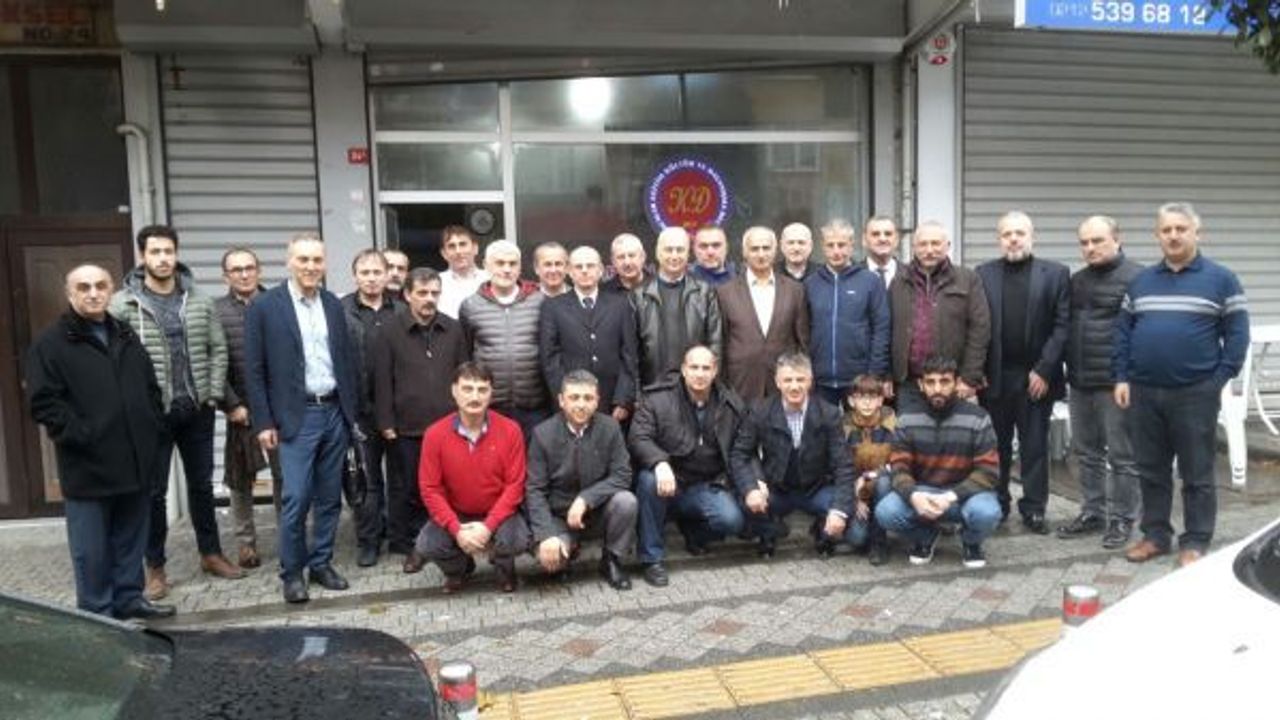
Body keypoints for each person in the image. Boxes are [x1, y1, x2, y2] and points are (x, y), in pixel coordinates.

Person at [26, 265, 175, 620]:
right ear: (69, 293)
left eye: (100, 286)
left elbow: (149, 387)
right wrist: (84, 435)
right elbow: (44, 404)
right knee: (90, 550)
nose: (93, 293)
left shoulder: (124, 333)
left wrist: (152, 427)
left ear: (111, 290)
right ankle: (97, 614)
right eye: (84, 287)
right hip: (88, 466)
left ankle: (129, 599)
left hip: (135, 462)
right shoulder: (50, 344)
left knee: (131, 540)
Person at [109, 224, 239, 601]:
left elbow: (218, 349)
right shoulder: (122, 305)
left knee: (202, 487)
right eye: (155, 252)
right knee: (154, 492)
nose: (163, 259)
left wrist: (211, 394)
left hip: (196, 409)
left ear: (176, 254)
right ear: (143, 256)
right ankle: (155, 567)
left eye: (168, 251)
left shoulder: (198, 300)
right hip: (151, 415)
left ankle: (211, 554)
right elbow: (114, 360)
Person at [1115, 202, 1249, 568]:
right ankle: (1155, 535)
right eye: (1166, 230)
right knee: (1151, 469)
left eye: (1181, 229)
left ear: (1197, 233)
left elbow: (1237, 336)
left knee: (1197, 471)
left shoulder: (1222, 280)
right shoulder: (1142, 281)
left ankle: (1196, 540)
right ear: (1157, 235)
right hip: (1144, 392)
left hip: (1195, 393)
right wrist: (1122, 376)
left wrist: (1217, 380)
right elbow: (1123, 332)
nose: (1173, 236)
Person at [244, 232, 359, 604]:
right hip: (296, 417)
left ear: (324, 264)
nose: (311, 266)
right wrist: (263, 422)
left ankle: (321, 563)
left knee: (329, 497)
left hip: (334, 412)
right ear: (289, 262)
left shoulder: (332, 304)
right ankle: (292, 573)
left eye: (317, 260)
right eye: (303, 259)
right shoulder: (265, 307)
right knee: (295, 498)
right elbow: (254, 370)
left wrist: (351, 413)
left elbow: (346, 360)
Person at [976, 211, 1070, 533]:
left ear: (1032, 236)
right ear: (999, 239)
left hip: (1036, 377)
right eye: (1007, 234)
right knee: (996, 447)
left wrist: (1044, 369)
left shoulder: (1056, 274)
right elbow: (978, 325)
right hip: (996, 377)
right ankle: (998, 504)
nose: (1013, 239)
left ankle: (1034, 508)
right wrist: (978, 370)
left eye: (1019, 233)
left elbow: (1062, 326)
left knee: (1034, 447)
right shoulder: (983, 274)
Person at [371, 268, 470, 572]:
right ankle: (409, 544)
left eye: (434, 293)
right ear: (407, 295)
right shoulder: (389, 331)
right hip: (406, 426)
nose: (429, 299)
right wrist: (385, 421)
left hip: (448, 426)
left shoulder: (453, 329)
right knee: (408, 488)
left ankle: (442, 539)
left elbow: (464, 376)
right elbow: (381, 379)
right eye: (422, 293)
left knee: (447, 487)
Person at [630, 346, 747, 587]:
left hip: (705, 485)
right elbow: (638, 437)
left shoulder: (730, 404)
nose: (699, 373)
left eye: (706, 368)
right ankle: (652, 558)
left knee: (731, 520)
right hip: (667, 483)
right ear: (684, 370)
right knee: (648, 480)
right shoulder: (658, 399)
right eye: (694, 367)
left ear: (715, 371)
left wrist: (755, 483)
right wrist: (659, 462)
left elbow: (743, 449)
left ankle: (694, 532)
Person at [1058, 215, 1142, 548]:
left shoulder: (1137, 278)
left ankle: (1123, 518)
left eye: (1097, 240)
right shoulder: (1076, 281)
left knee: (1122, 457)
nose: (1090, 248)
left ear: (1117, 240)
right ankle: (1093, 512)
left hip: (1116, 385)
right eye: (1084, 242)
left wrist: (1128, 377)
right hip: (1080, 382)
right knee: (1087, 453)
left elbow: (1142, 333)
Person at [875, 356, 1002, 569]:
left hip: (964, 495)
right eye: (931, 382)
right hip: (924, 492)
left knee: (987, 512)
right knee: (886, 512)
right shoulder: (906, 418)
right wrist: (914, 496)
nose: (937, 389)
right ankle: (925, 536)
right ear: (921, 384)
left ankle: (971, 542)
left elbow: (989, 471)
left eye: (944, 382)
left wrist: (950, 497)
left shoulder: (978, 418)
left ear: (957, 383)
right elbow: (899, 466)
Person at [730, 353, 858, 559]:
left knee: (847, 509)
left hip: (816, 488)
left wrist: (839, 511)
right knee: (743, 502)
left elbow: (843, 464)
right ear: (777, 382)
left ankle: (822, 529)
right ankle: (769, 531)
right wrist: (751, 488)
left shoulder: (829, 413)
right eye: (788, 380)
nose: (794, 386)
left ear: (810, 381)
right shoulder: (760, 410)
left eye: (800, 379)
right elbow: (740, 454)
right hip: (776, 488)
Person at [417, 363, 529, 593]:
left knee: (517, 540)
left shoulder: (511, 430)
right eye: (467, 389)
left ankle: (504, 568)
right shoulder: (434, 434)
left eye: (482, 390)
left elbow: (515, 485)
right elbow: (430, 489)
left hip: (499, 511)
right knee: (428, 545)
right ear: (454, 391)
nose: (475, 397)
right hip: (457, 511)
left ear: (491, 393)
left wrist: (488, 527)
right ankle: (459, 569)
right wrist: (456, 529)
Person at [525, 370, 638, 590]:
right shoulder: (542, 434)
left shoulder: (610, 427)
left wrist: (585, 499)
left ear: (597, 401)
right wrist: (546, 535)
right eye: (574, 397)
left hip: (597, 512)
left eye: (588, 398)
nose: (581, 405)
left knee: (626, 501)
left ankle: (611, 559)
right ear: (561, 400)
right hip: (559, 516)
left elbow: (623, 475)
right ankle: (568, 549)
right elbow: (535, 490)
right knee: (550, 561)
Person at [213, 247, 283, 569]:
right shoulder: (216, 312)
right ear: (225, 276)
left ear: (259, 270)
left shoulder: (277, 305)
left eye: (249, 267)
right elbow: (212, 362)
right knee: (241, 480)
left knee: (285, 476)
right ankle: (246, 544)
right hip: (240, 408)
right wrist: (230, 404)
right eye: (236, 269)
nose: (244, 274)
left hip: (277, 408)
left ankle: (289, 537)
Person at [888, 221, 990, 405]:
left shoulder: (967, 280)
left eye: (935, 243)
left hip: (952, 382)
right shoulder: (899, 282)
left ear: (947, 246)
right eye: (923, 244)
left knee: (955, 425)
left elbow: (980, 330)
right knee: (909, 425)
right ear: (914, 247)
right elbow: (886, 330)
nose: (929, 250)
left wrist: (970, 376)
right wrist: (886, 374)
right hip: (909, 383)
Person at [341, 249, 400, 567]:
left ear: (387, 275)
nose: (372, 278)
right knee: (366, 480)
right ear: (355, 277)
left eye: (377, 272)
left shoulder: (402, 309)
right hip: (360, 410)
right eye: (365, 273)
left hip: (399, 409)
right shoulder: (341, 311)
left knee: (401, 477)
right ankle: (369, 541)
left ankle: (401, 536)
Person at [540, 245, 639, 423]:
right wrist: (565, 399)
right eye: (579, 267)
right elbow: (550, 359)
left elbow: (629, 355)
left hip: (611, 402)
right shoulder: (553, 307)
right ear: (570, 271)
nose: (585, 271)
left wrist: (623, 400)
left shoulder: (620, 305)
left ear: (601, 270)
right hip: (571, 403)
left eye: (590, 266)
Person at [459, 240, 548, 435]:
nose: (507, 269)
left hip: (534, 405)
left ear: (520, 267)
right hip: (489, 406)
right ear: (486, 265)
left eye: (512, 263)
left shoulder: (540, 301)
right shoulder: (471, 306)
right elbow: (466, 353)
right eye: (500, 263)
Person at [716, 226, 810, 401]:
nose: (761, 254)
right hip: (741, 381)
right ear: (744, 252)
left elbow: (802, 342)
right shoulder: (725, 293)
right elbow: (721, 341)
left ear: (775, 250)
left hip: (783, 382)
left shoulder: (795, 290)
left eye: (766, 248)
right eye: (754, 249)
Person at [805, 218, 890, 406]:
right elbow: (804, 331)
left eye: (842, 245)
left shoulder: (870, 281)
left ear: (852, 246)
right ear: (823, 247)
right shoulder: (811, 284)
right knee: (823, 425)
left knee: (859, 425)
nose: (836, 251)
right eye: (831, 245)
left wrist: (874, 374)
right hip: (820, 380)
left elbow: (881, 329)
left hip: (859, 379)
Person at [633, 226, 723, 386]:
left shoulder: (704, 292)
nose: (674, 256)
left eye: (680, 250)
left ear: (688, 254)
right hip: (652, 386)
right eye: (668, 250)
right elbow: (632, 352)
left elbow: (715, 343)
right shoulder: (639, 296)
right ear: (658, 253)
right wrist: (637, 392)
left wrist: (710, 383)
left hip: (695, 386)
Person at [842, 374, 896, 566]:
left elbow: (898, 463)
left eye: (872, 397)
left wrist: (867, 477)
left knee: (883, 482)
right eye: (860, 397)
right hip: (855, 491)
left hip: (884, 487)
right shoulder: (843, 427)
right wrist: (855, 498)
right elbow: (839, 467)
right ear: (851, 401)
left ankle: (879, 542)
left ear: (881, 400)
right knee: (857, 539)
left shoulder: (892, 425)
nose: (866, 403)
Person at [437, 225, 489, 318]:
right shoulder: (436, 283)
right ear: (444, 254)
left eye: (462, 244)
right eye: (451, 246)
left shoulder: (490, 279)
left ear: (475, 248)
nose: (458, 251)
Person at [863, 215, 901, 288]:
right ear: (864, 240)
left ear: (896, 240)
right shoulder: (852, 276)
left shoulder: (911, 277)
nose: (882, 239)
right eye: (875, 234)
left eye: (888, 234)